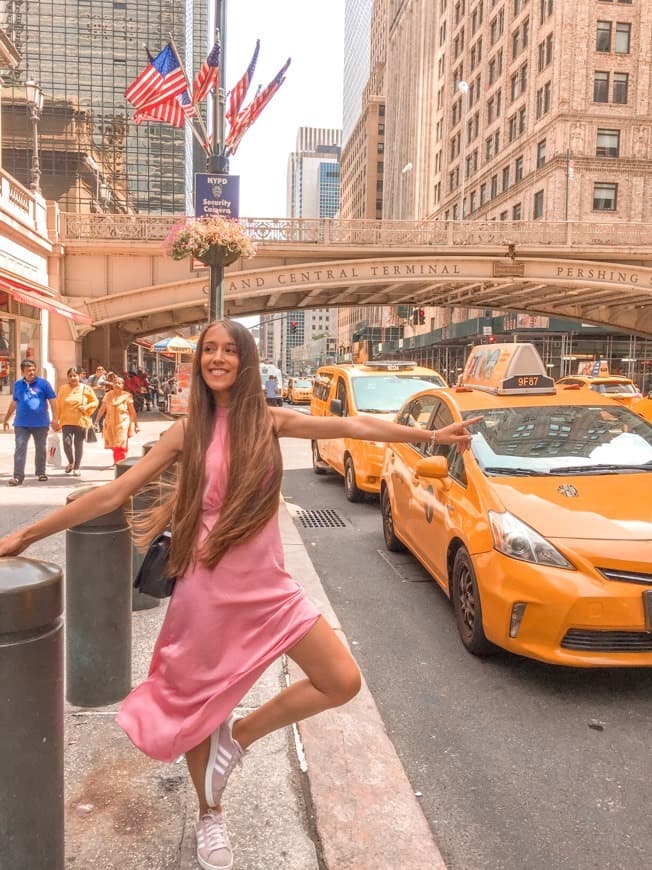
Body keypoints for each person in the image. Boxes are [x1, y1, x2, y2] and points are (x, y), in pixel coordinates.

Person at [0, 320, 480, 870]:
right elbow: (114, 492)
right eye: (210, 350)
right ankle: (211, 814)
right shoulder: (188, 431)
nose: (218, 359)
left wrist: (430, 437)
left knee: (341, 680)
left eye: (229, 350)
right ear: (199, 362)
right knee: (196, 709)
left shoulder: (269, 421)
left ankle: (240, 736)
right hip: (207, 589)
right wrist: (28, 533)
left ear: (245, 360)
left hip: (270, 587)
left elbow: (352, 422)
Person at [2, 359, 60, 486]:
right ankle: (17, 476)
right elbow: (14, 402)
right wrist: (6, 418)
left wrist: (55, 418)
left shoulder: (44, 384)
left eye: (33, 369)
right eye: (28, 370)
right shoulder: (18, 385)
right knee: (20, 449)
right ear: (22, 371)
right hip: (21, 423)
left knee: (40, 449)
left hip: (41, 423)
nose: (32, 372)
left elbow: (53, 401)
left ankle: (41, 472)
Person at [56, 367, 98, 476]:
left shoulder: (86, 388)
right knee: (66, 443)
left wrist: (87, 406)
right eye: (70, 376)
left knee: (78, 444)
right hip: (66, 421)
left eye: (75, 375)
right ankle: (70, 462)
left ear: (79, 376)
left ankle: (77, 467)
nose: (73, 378)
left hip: (80, 421)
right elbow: (58, 405)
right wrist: (56, 419)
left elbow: (95, 402)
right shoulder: (63, 389)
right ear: (67, 377)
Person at [95, 375, 139, 465]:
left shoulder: (127, 396)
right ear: (112, 384)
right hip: (110, 422)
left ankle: (120, 462)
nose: (117, 384)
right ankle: (118, 460)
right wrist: (96, 421)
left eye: (119, 383)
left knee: (120, 442)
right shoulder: (108, 395)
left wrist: (136, 425)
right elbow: (102, 409)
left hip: (123, 422)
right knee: (113, 444)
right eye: (115, 383)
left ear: (123, 385)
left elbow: (132, 411)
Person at [87, 365, 108, 432]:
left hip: (102, 397)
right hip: (94, 397)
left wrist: (104, 388)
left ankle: (101, 427)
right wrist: (97, 387)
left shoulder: (104, 377)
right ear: (96, 371)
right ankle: (94, 427)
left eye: (101, 370)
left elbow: (105, 387)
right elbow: (89, 388)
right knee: (94, 413)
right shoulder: (92, 377)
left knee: (101, 412)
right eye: (99, 370)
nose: (100, 371)